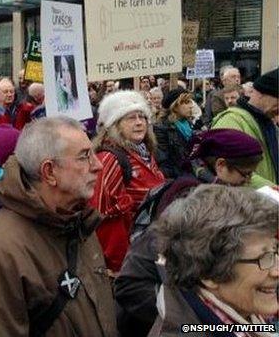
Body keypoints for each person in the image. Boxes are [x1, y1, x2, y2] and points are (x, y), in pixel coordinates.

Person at [0, 117, 117, 336]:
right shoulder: (2, 252)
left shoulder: (77, 219)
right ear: (49, 172)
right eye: (84, 156)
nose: (98, 165)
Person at [115, 128, 265, 337]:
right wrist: (191, 317)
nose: (248, 182)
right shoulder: (186, 207)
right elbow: (130, 285)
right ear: (221, 166)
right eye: (245, 174)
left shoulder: (217, 200)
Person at [149, 185, 277, 336]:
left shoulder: (241, 314)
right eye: (263, 258)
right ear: (209, 273)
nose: (277, 270)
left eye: (275, 250)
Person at [90, 91, 165, 273]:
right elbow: (105, 220)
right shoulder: (110, 159)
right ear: (115, 126)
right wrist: (120, 268)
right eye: (131, 118)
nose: (139, 122)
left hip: (149, 249)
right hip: (128, 261)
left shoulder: (142, 152)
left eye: (142, 117)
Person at [212, 68, 278, 188]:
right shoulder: (230, 121)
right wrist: (270, 189)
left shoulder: (268, 122)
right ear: (263, 95)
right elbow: (230, 170)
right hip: (248, 202)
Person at [154, 88, 198, 178]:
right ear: (174, 106)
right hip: (178, 178)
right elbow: (164, 163)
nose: (191, 106)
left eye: (190, 102)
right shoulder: (161, 128)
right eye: (186, 102)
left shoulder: (189, 124)